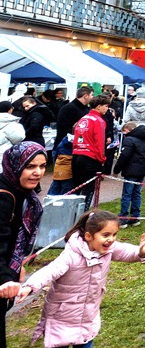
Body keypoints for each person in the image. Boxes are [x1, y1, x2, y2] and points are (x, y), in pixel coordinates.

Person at [18, 210, 145, 347]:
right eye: (105, 235)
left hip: (88, 315)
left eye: (114, 234)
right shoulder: (71, 256)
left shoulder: (109, 249)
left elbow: (126, 251)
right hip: (62, 315)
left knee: (85, 341)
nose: (111, 239)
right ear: (89, 236)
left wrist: (141, 252)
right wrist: (30, 286)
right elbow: (50, 271)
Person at [0, 142, 47, 348]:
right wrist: (4, 277)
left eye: (42, 166)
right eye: (30, 166)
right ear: (15, 165)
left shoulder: (23, 194)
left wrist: (17, 264)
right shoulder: (4, 197)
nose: (37, 172)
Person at [71, 95, 111, 209]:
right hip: (90, 158)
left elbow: (76, 138)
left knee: (76, 188)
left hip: (77, 155)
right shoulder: (99, 121)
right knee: (88, 190)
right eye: (106, 106)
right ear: (99, 106)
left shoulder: (83, 118)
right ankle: (83, 217)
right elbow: (100, 143)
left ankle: (73, 214)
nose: (107, 109)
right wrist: (102, 159)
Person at [112, 122, 145, 226]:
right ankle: (135, 217)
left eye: (124, 132)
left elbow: (124, 156)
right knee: (137, 194)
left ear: (129, 130)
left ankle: (123, 218)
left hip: (131, 170)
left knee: (127, 194)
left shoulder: (129, 140)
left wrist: (116, 170)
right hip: (142, 171)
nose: (123, 134)